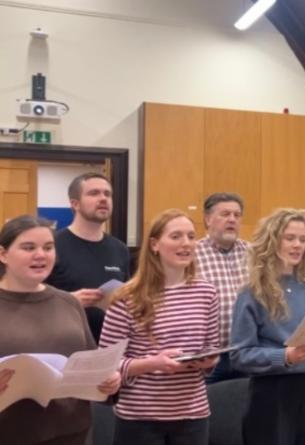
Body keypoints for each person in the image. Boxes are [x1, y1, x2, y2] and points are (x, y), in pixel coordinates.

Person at [99, 209, 220, 444]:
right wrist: (153, 363)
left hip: (192, 414)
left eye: (191, 236)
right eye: (176, 236)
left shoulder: (207, 293)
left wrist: (208, 360)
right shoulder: (127, 297)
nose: (186, 243)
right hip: (140, 416)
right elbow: (106, 363)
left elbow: (211, 348)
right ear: (155, 244)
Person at [0, 215, 120, 445]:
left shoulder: (68, 302)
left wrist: (108, 380)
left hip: (71, 432)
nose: (40, 255)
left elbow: (92, 364)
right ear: (3, 254)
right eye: (28, 248)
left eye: (48, 247)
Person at [230, 209, 305, 445]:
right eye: (289, 238)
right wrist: (285, 356)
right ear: (272, 241)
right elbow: (240, 355)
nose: (297, 245)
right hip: (273, 391)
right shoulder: (252, 293)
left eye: (302, 239)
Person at [46, 172, 130, 342]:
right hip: (64, 345)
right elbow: (30, 300)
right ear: (75, 204)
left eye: (107, 194)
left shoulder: (120, 249)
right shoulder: (51, 246)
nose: (103, 198)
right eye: (94, 193)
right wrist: (69, 302)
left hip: (110, 347)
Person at [195, 192, 249, 383]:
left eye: (237, 215)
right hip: (209, 358)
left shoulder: (254, 254)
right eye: (225, 214)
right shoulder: (191, 254)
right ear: (208, 219)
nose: (232, 219)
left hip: (247, 353)